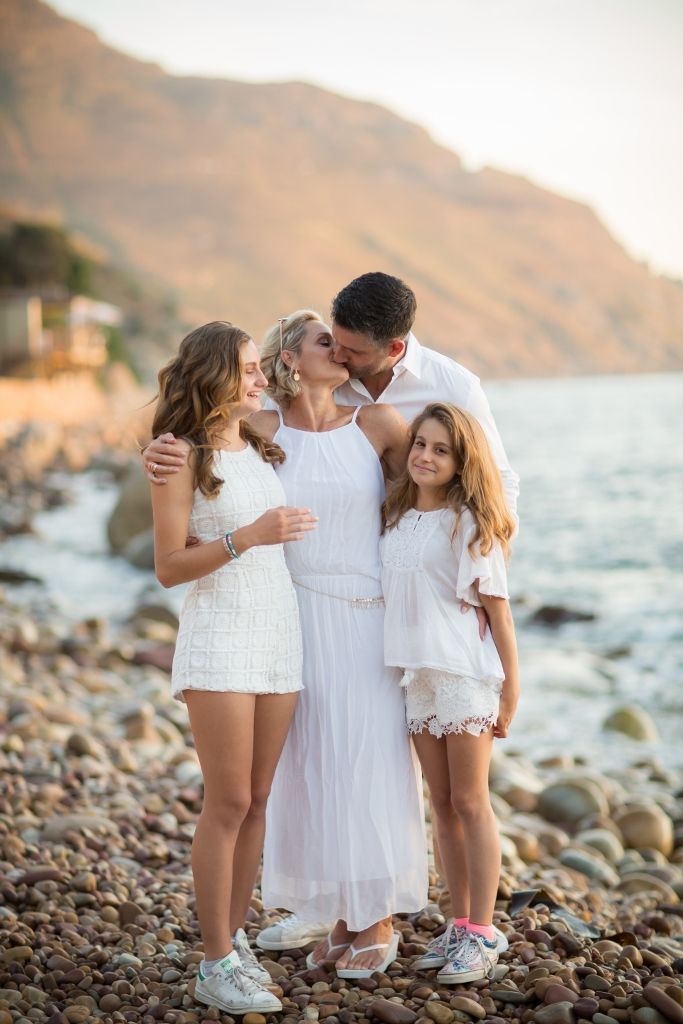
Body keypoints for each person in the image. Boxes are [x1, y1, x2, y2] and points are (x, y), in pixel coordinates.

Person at [252, 311, 428, 978]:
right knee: (314, 760)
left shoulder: (376, 425)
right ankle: (340, 911)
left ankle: (376, 914)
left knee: (370, 758)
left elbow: (435, 489)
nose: (341, 349)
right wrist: (162, 453)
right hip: (291, 614)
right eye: (325, 341)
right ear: (291, 359)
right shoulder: (259, 430)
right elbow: (189, 451)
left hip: (364, 614)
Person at [150, 321, 317, 1014]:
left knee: (256, 800)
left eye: (260, 368)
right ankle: (213, 961)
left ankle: (234, 935)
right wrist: (247, 536)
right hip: (220, 634)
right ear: (216, 375)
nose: (259, 379)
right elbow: (167, 568)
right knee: (226, 803)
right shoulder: (176, 455)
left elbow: (325, 396)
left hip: (277, 633)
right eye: (248, 369)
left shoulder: (254, 440)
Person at [380, 402, 519, 984]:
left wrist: (510, 689)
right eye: (420, 444)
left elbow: (498, 610)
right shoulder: (394, 518)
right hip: (418, 678)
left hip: (463, 677)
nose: (425, 457)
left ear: (461, 463)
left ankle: (484, 932)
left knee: (470, 802)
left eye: (441, 450)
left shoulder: (468, 524)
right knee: (440, 806)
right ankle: (458, 922)